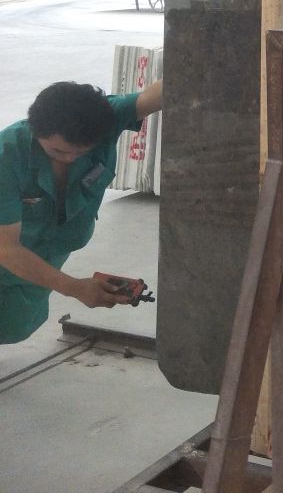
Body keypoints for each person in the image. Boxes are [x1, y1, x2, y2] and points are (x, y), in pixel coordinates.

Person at [0, 79, 163, 344]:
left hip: (46, 254)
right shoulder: (6, 155)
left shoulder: (102, 118)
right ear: (35, 129)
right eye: (57, 150)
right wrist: (74, 288)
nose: (69, 158)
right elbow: (6, 249)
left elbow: (165, 90)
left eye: (81, 152)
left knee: (15, 323)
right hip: (9, 247)